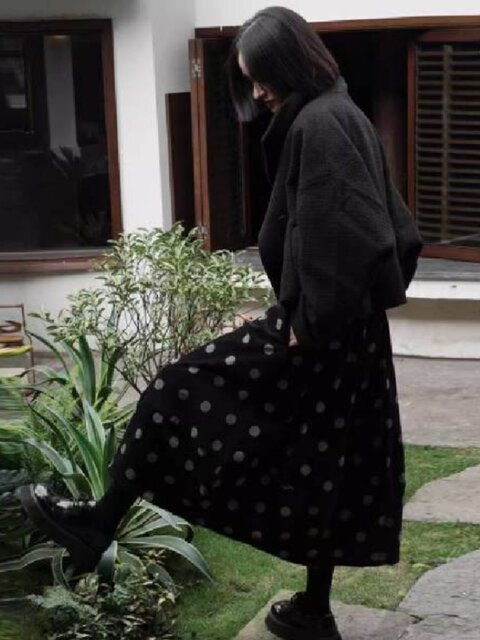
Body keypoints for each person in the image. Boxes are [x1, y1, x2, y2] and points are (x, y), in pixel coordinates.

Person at [18, 6, 423, 640]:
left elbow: (358, 234)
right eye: (249, 79)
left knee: (177, 387)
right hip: (346, 335)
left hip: (323, 332)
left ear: (291, 64)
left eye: (262, 77)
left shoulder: (324, 122)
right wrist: (311, 311)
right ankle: (313, 612)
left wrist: (308, 320)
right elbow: (379, 232)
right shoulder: (336, 115)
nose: (257, 92)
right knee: (325, 464)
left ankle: (99, 520)